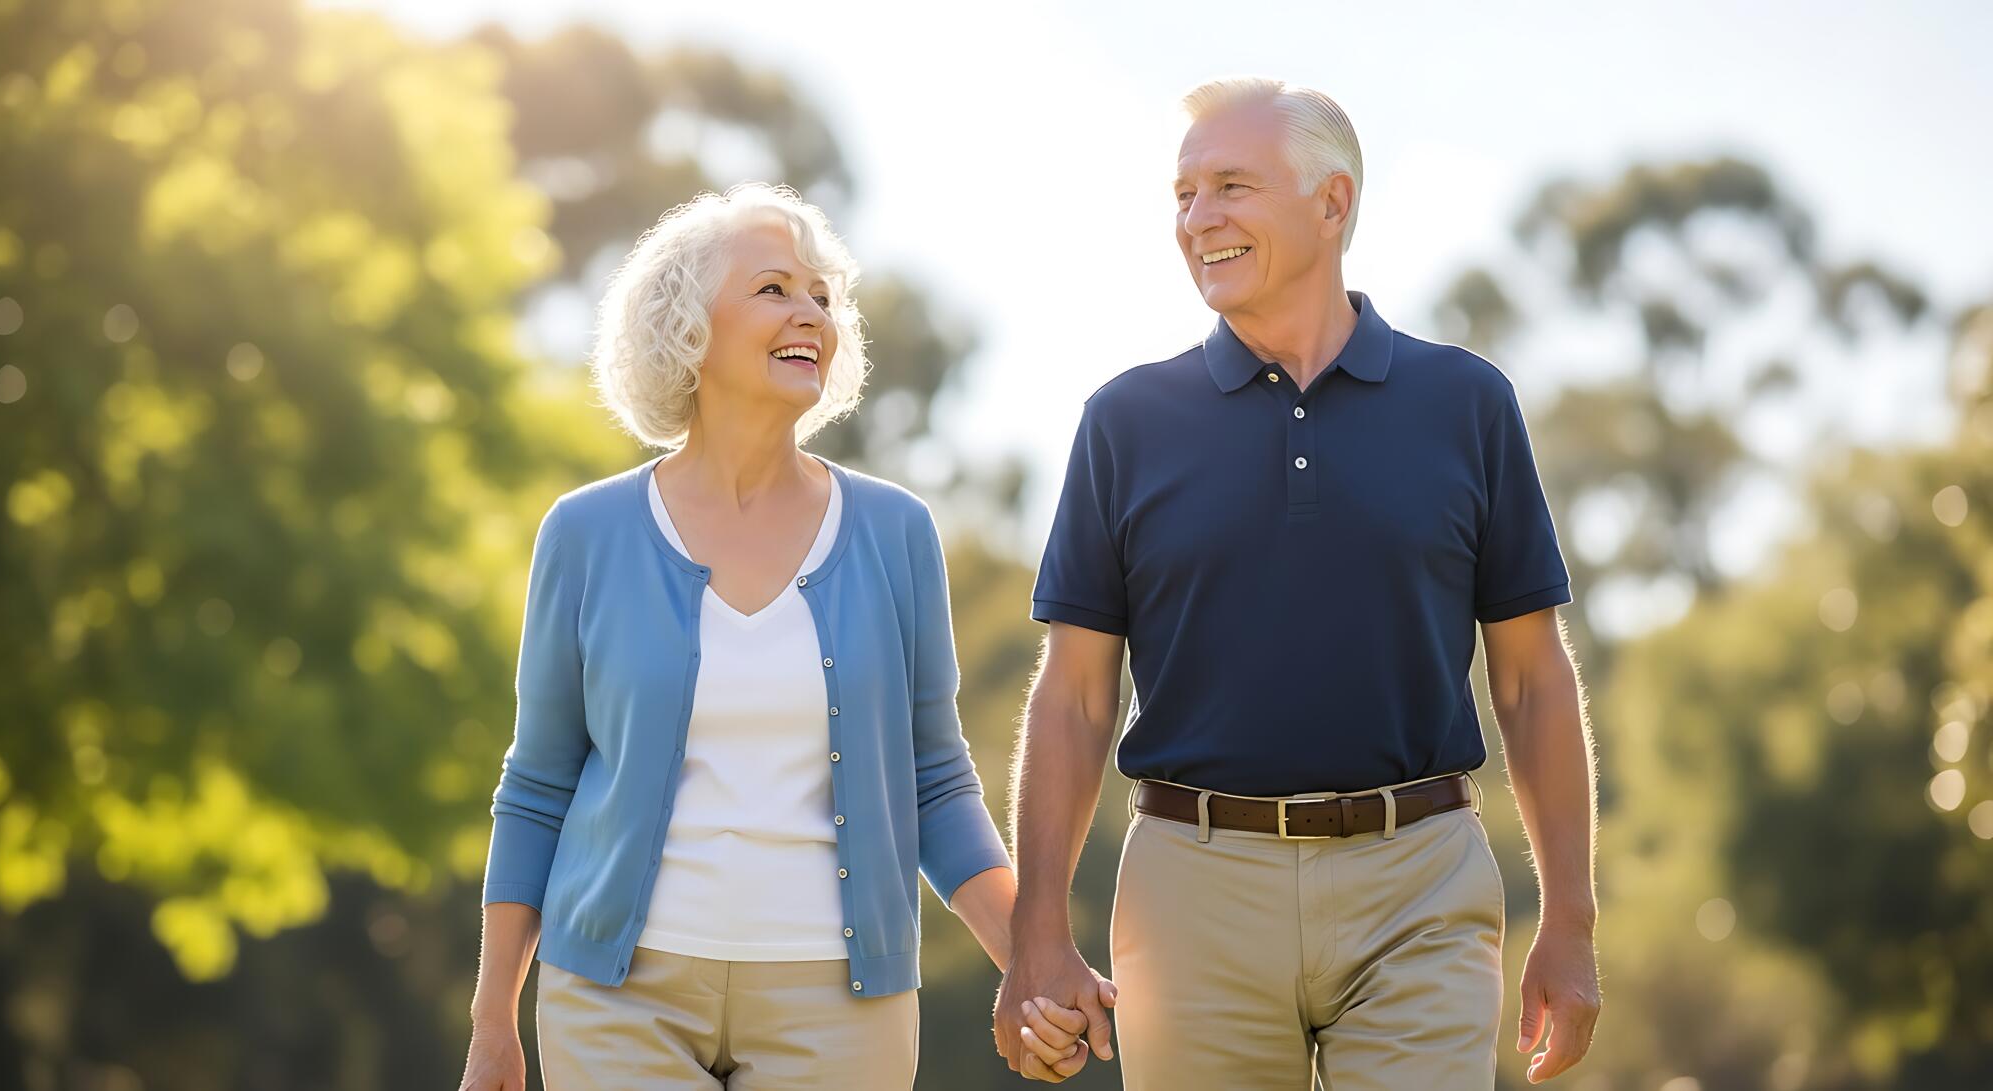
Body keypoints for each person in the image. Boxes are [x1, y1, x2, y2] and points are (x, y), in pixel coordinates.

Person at [993, 77, 1603, 1088]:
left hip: (1421, 881)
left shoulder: (1466, 403)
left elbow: (1533, 681)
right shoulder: (1125, 422)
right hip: (1191, 886)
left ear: (1332, 202)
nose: (1199, 219)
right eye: (1182, 195)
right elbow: (1073, 693)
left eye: (1230, 185)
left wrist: (1572, 923)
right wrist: (1036, 931)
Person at [457, 182, 1099, 1090]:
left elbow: (935, 782)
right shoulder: (586, 533)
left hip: (840, 1004)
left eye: (823, 297)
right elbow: (538, 786)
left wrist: (1032, 960)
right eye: (774, 289)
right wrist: (493, 1022)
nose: (811, 313)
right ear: (687, 325)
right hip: (613, 993)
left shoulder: (895, 533)